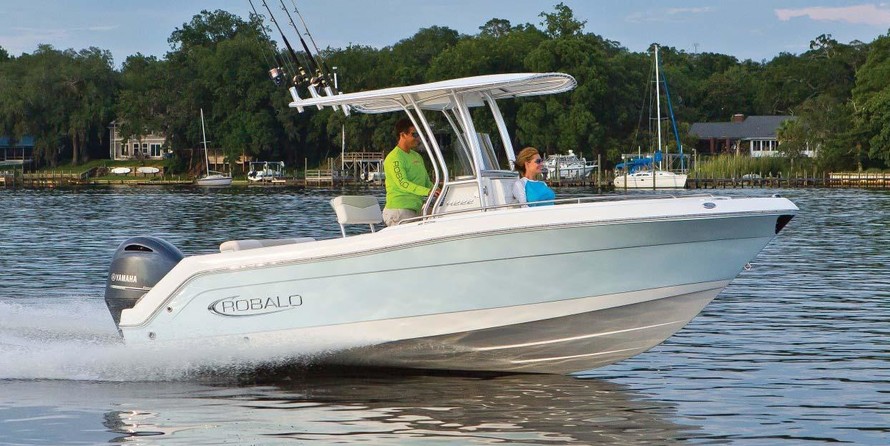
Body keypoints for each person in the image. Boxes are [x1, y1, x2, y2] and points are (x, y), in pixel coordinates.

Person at [382, 118, 435, 226]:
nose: (418, 138)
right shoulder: (394, 158)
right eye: (414, 134)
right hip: (399, 210)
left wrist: (436, 189)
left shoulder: (417, 156)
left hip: (416, 209)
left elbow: (426, 181)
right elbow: (403, 183)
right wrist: (427, 192)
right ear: (403, 135)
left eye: (418, 134)